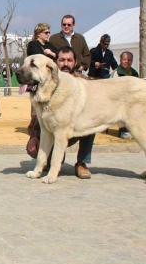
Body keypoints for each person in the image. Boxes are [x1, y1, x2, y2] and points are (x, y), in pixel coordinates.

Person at [26, 46, 95, 179]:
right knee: (39, 149)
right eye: (62, 60)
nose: (65, 64)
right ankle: (49, 160)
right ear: (56, 63)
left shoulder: (85, 81)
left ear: (75, 63)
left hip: (76, 129)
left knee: (91, 121)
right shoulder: (43, 81)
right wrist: (34, 136)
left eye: (69, 60)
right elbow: (36, 115)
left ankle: (82, 163)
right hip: (52, 130)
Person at [110, 51, 139, 139]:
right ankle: (124, 130)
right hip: (118, 100)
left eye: (129, 60)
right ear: (120, 60)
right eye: (124, 59)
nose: (127, 61)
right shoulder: (116, 73)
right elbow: (112, 90)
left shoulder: (134, 73)